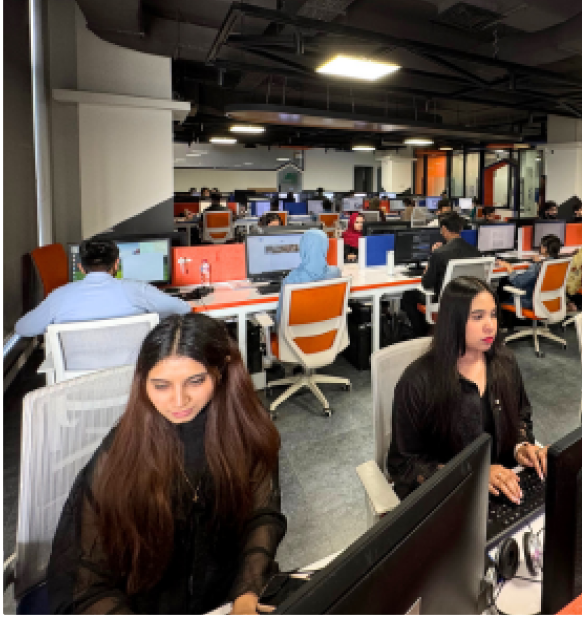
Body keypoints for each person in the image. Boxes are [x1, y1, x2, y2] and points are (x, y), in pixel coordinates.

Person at [48, 313, 285, 615]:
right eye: (161, 385)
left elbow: (262, 515)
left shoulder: (246, 429)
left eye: (195, 381)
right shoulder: (119, 456)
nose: (178, 400)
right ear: (143, 382)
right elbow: (89, 584)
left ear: (222, 371)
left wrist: (247, 591)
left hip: (224, 591)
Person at [388, 277, 543, 502]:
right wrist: (472, 474)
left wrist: (522, 447)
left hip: (505, 489)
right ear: (454, 321)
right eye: (478, 317)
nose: (490, 325)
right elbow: (404, 465)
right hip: (450, 499)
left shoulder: (505, 362)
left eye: (493, 314)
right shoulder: (417, 382)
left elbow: (521, 417)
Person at [15, 239, 191, 337]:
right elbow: (183, 308)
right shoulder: (137, 290)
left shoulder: (60, 297)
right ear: (116, 264)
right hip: (131, 379)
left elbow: (23, 328)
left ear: (81, 267)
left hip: (76, 384)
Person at [400, 212, 481, 338]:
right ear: (460, 228)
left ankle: (422, 334)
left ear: (443, 229)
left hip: (446, 302)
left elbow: (427, 284)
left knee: (408, 296)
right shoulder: (476, 252)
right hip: (469, 301)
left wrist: (432, 258)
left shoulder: (439, 253)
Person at [276, 230, 341, 326]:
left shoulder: (291, 279)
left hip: (296, 334)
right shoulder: (335, 273)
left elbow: (280, 318)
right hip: (329, 332)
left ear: (303, 248)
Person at [495, 234, 562, 312]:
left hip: (529, 302)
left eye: (541, 246)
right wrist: (539, 261)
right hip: (551, 303)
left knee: (501, 286)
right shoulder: (559, 263)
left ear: (545, 249)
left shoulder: (538, 266)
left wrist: (508, 266)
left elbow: (517, 282)